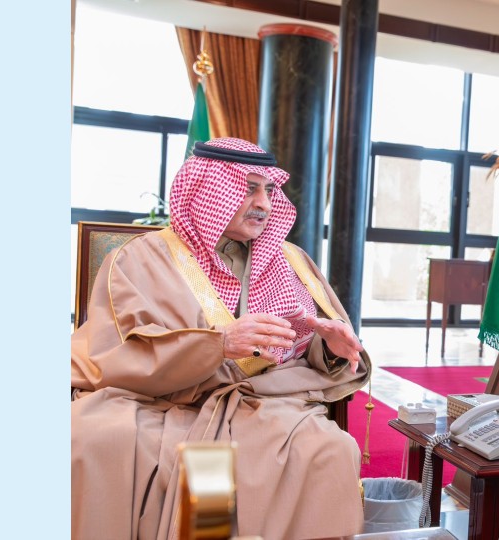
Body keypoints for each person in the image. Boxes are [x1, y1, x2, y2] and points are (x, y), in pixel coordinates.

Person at [71, 138, 371, 539]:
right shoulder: (140, 259)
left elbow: (306, 349)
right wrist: (218, 344)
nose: (264, 203)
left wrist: (329, 350)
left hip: (265, 400)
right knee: (95, 438)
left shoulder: (291, 261)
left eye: (269, 190)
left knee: (328, 449)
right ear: (207, 190)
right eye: (248, 189)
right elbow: (123, 352)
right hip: (162, 398)